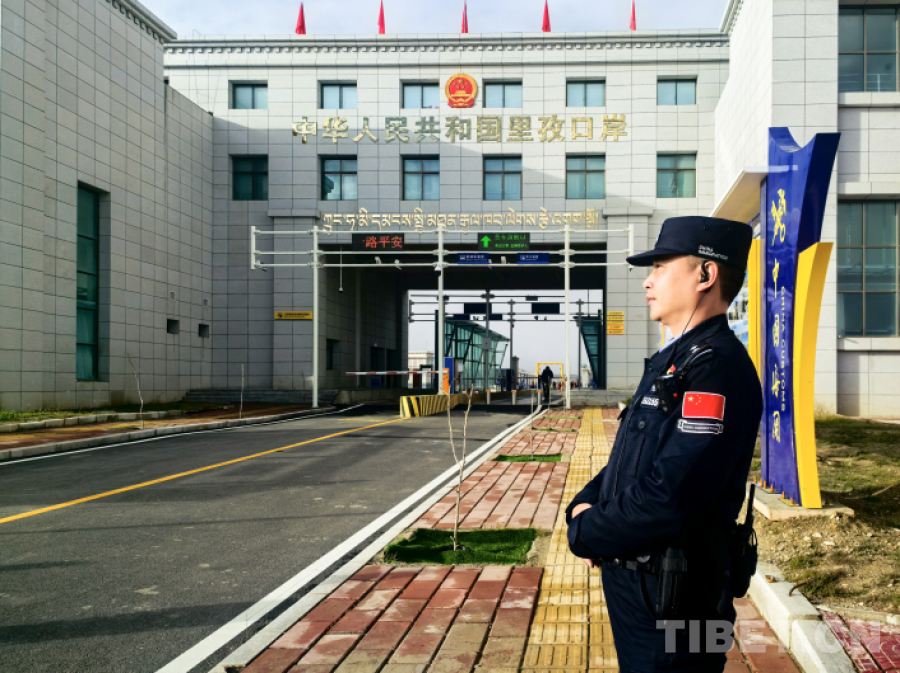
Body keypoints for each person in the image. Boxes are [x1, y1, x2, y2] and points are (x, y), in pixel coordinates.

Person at [565, 216, 763, 673]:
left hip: (681, 599)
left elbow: (672, 495)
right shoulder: (676, 359)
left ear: (705, 274)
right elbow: (635, 458)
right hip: (644, 586)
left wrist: (588, 531)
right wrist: (585, 503)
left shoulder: (717, 369)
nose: (647, 282)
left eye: (660, 267)